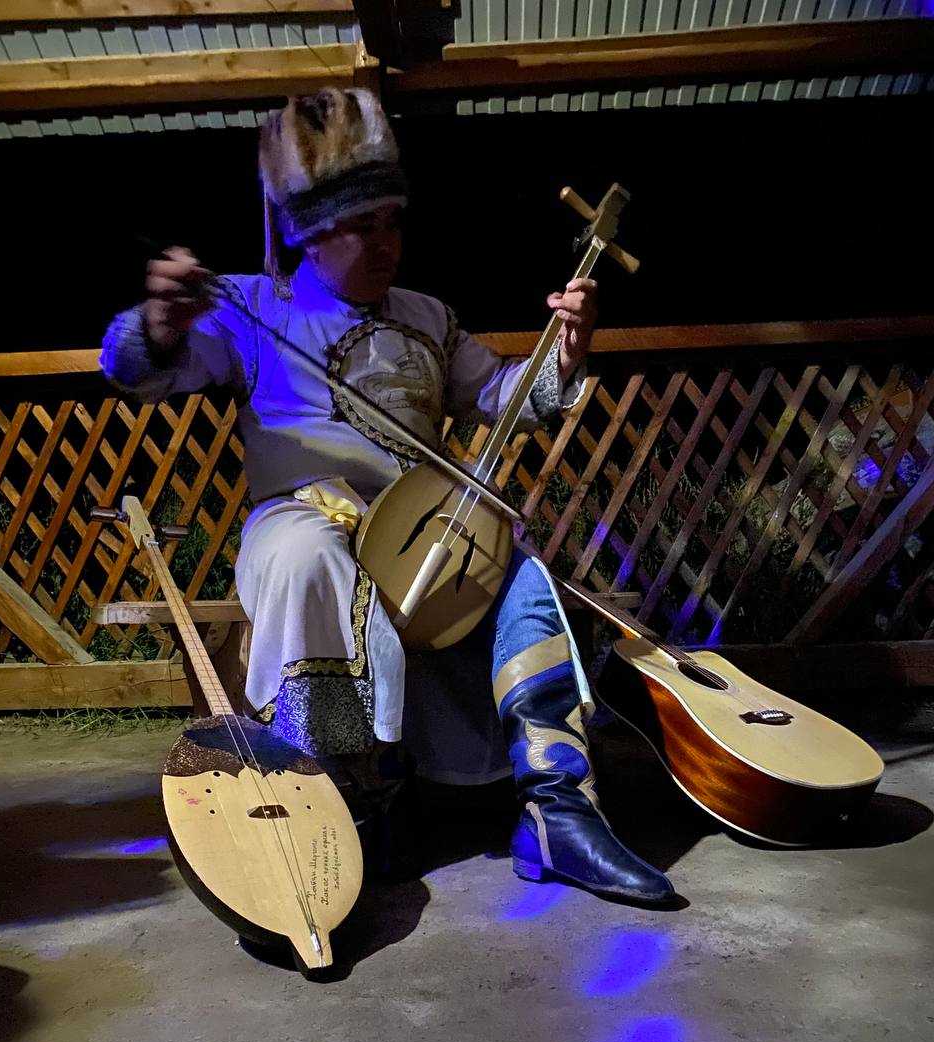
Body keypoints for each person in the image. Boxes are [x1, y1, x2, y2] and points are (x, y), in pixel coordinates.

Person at [101, 86, 674, 905]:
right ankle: (347, 799)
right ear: (307, 233)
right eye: (361, 226)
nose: (386, 245)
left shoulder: (428, 317)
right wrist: (159, 325)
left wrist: (566, 352)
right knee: (307, 558)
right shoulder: (253, 307)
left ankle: (558, 811)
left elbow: (505, 396)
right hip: (303, 516)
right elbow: (139, 372)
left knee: (521, 573)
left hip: (423, 531)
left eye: (393, 223)